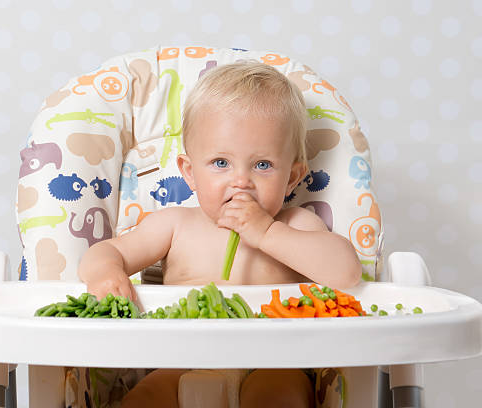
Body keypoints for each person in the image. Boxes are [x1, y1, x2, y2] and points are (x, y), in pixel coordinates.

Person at [77, 61, 362, 408]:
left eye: (262, 165)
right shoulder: (174, 225)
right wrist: (105, 273)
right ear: (189, 172)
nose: (240, 180)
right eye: (221, 163)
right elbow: (108, 252)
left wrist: (267, 232)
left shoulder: (295, 225)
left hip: (274, 363)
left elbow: (346, 273)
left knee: (279, 397)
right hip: (180, 361)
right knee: (147, 398)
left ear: (291, 177)